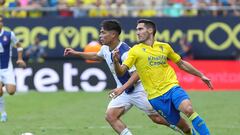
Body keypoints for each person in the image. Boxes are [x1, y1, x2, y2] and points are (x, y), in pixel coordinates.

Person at [64, 20, 188, 135]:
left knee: (157, 118)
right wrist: (76, 53)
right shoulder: (105, 48)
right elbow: (97, 57)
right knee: (110, 116)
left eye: (103, 33)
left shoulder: (126, 52)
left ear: (113, 35)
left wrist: (122, 88)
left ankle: (185, 129)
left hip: (139, 89)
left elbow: (137, 74)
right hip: (124, 91)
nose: (100, 36)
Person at [112, 19, 213, 135]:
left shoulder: (164, 47)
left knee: (189, 110)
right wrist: (116, 62)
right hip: (155, 98)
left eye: (140, 29)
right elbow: (121, 71)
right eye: (137, 30)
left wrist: (201, 75)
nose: (137, 32)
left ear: (150, 30)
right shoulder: (135, 51)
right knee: (184, 128)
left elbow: (181, 63)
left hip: (172, 88)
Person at [0, 15, 26, 122]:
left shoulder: (9, 34)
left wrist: (20, 59)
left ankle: (3, 84)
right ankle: (3, 113)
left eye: (0, 21)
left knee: (11, 91)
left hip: (7, 68)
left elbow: (19, 46)